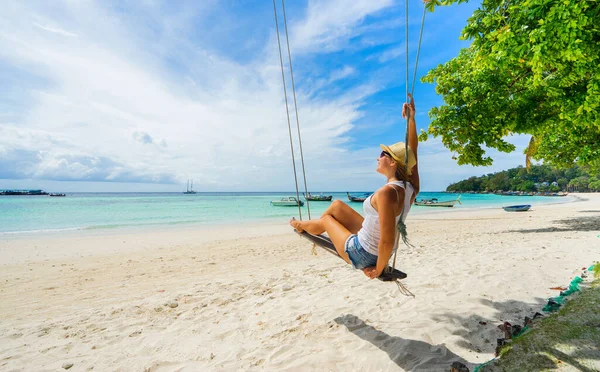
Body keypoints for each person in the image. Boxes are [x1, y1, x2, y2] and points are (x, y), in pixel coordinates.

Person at [290, 94, 420, 279]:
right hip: (373, 245)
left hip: (364, 254)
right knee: (336, 206)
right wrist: (411, 120)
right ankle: (311, 226)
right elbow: (413, 153)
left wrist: (379, 269)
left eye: (383, 154)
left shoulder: (386, 194)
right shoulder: (410, 187)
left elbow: (387, 239)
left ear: (393, 163)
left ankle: (300, 225)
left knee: (327, 219)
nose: (378, 157)